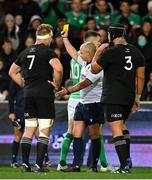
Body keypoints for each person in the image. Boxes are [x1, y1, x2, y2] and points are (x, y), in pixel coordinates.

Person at [91, 24, 145, 173]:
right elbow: (141, 77)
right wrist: (138, 97)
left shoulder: (110, 52)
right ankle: (127, 161)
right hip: (128, 97)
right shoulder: (136, 52)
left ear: (112, 35)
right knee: (122, 127)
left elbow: (94, 69)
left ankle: (124, 167)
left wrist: (98, 51)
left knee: (116, 130)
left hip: (113, 97)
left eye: (108, 34)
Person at [9, 24, 63, 173]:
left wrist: (22, 84)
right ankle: (39, 165)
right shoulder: (48, 52)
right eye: (51, 38)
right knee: (44, 130)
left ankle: (25, 164)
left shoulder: (25, 52)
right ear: (49, 37)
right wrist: (56, 85)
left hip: (28, 94)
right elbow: (58, 68)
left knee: (29, 130)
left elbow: (12, 71)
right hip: (44, 94)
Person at [8, 80, 24, 168]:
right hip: (19, 111)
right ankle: (14, 161)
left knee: (38, 136)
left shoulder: (33, 76)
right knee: (18, 136)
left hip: (32, 110)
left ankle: (45, 160)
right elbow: (11, 97)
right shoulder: (15, 79)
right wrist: (11, 112)